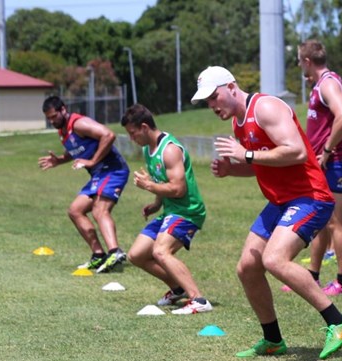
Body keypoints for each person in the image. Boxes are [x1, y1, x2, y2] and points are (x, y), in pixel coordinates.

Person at [192, 66, 342, 360]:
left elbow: (297, 151)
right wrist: (234, 169)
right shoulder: (238, 124)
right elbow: (263, 162)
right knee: (247, 267)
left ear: (231, 87)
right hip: (281, 202)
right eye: (207, 101)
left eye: (214, 97)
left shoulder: (265, 107)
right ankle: (272, 340)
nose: (212, 105)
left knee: (274, 259)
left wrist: (246, 155)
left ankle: (338, 321)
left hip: (310, 197)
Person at [120, 104, 212, 315]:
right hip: (171, 211)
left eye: (133, 133)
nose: (132, 138)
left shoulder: (169, 150)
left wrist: (148, 186)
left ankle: (198, 299)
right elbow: (163, 181)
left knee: (160, 251)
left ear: (144, 127)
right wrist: (156, 203)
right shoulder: (148, 149)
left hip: (188, 211)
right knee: (136, 255)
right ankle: (177, 288)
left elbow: (178, 189)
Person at [38, 95, 129, 273]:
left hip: (113, 170)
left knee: (99, 210)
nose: (52, 121)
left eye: (54, 116)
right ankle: (98, 255)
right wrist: (60, 160)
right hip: (98, 175)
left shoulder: (78, 124)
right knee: (75, 210)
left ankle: (115, 252)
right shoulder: (63, 131)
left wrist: (93, 161)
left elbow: (109, 135)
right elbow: (77, 150)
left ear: (63, 109)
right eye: (49, 118)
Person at [296, 40, 342, 296]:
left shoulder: (328, 83)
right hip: (324, 163)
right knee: (322, 221)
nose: (300, 66)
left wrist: (328, 149)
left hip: (333, 162)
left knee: (334, 222)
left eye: (299, 61)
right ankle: (312, 276)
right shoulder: (324, 84)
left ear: (307, 61)